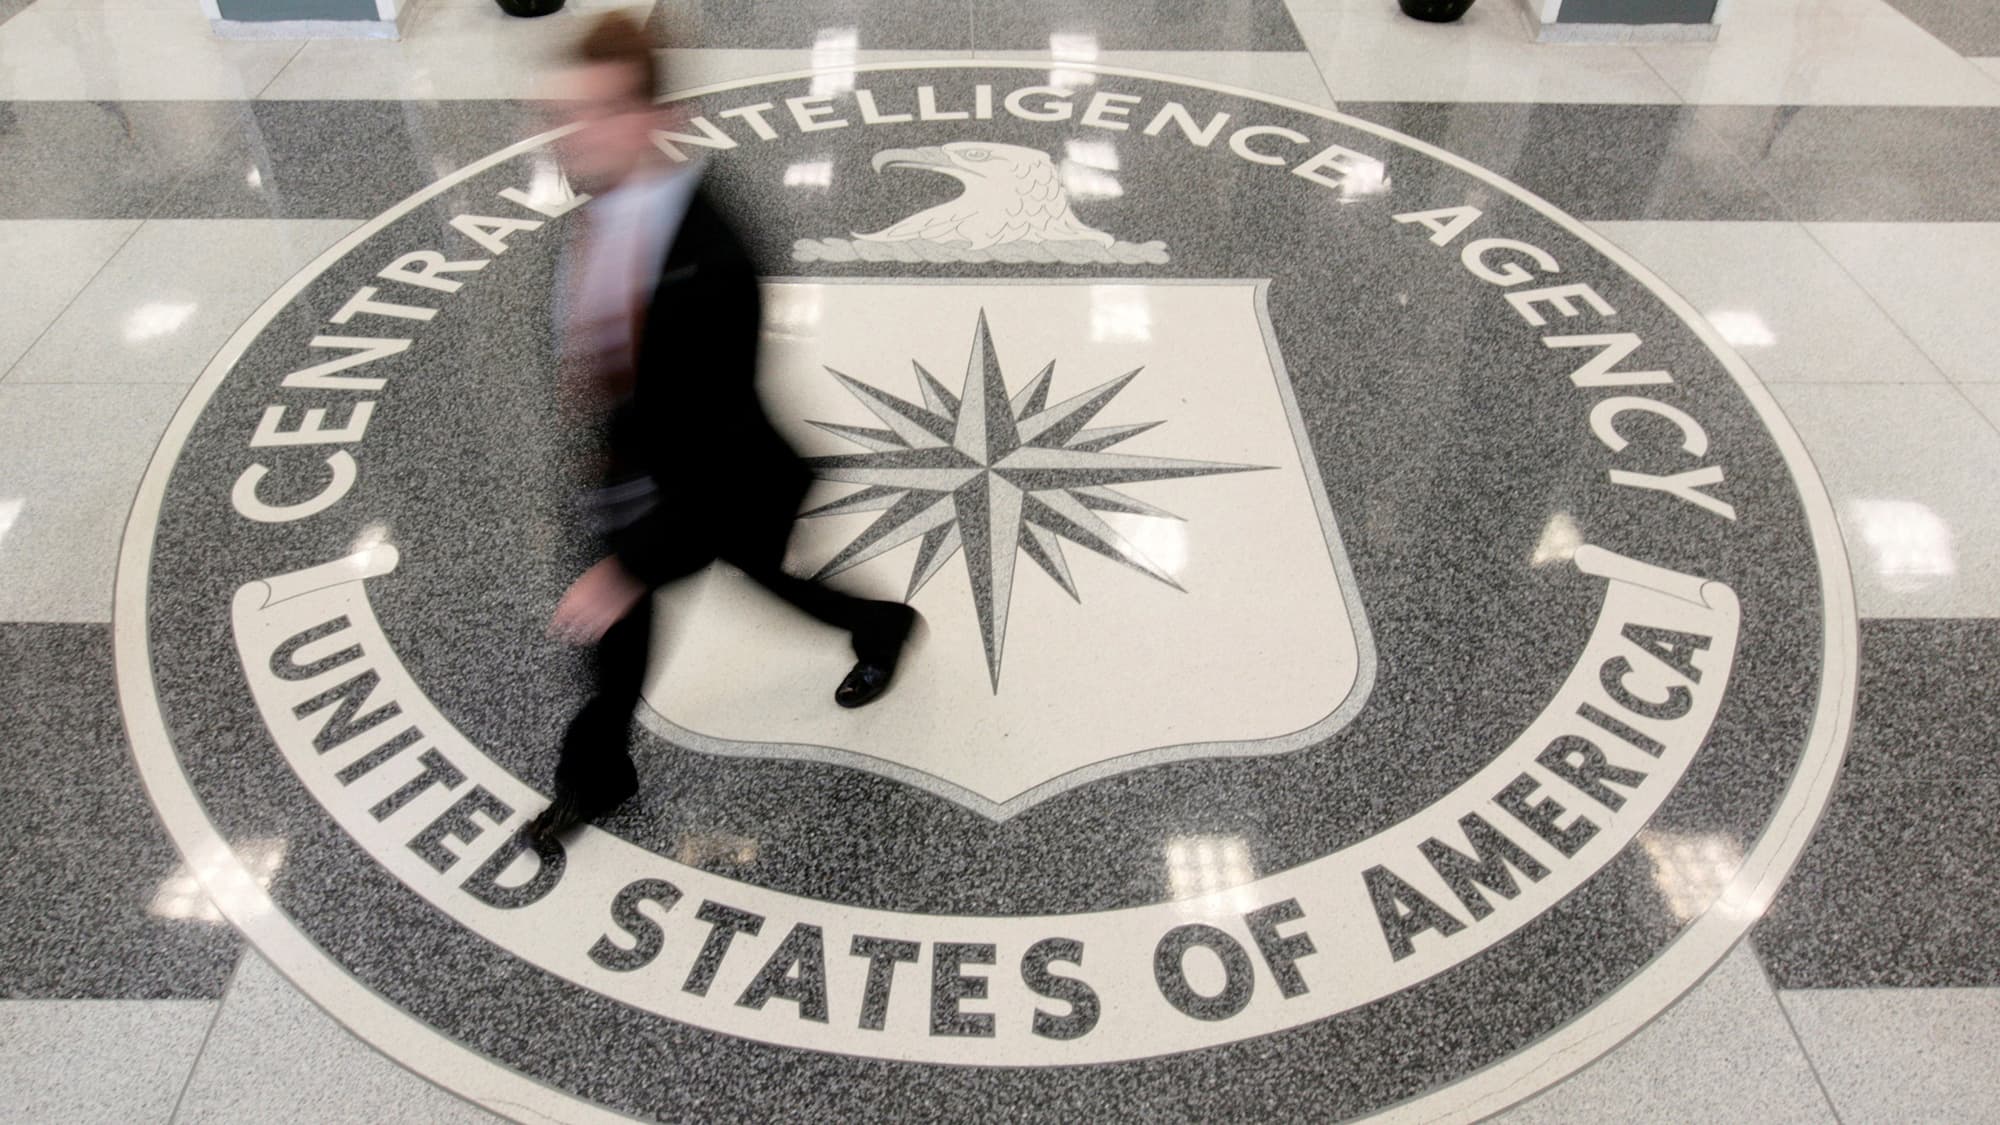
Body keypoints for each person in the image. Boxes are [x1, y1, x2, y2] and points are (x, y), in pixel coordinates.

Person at [530, 12, 918, 841]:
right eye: (569, 114)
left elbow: (719, 441)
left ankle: (883, 625)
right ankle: (597, 778)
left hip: (722, 483)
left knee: (765, 582)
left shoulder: (715, 260)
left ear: (655, 118)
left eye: (599, 113)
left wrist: (625, 568)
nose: (576, 134)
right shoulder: (601, 209)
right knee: (618, 652)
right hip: (639, 469)